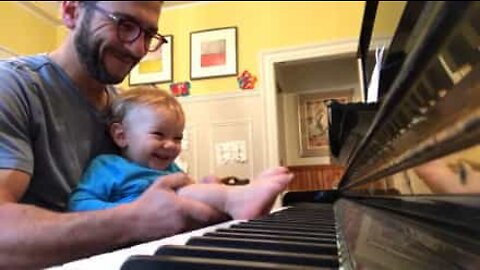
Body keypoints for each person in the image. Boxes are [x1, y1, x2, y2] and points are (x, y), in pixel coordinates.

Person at [0, 2, 292, 268]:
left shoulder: (126, 109)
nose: (139, 49)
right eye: (124, 25)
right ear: (72, 10)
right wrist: (135, 220)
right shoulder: (13, 88)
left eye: (150, 35)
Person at [68, 87, 293, 220]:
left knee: (192, 191)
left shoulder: (169, 168)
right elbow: (79, 205)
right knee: (184, 195)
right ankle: (236, 199)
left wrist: (205, 185)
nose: (171, 145)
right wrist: (131, 209)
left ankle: (239, 203)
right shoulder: (107, 166)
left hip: (174, 230)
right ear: (121, 135)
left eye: (178, 138)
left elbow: (189, 190)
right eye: (159, 135)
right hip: (136, 230)